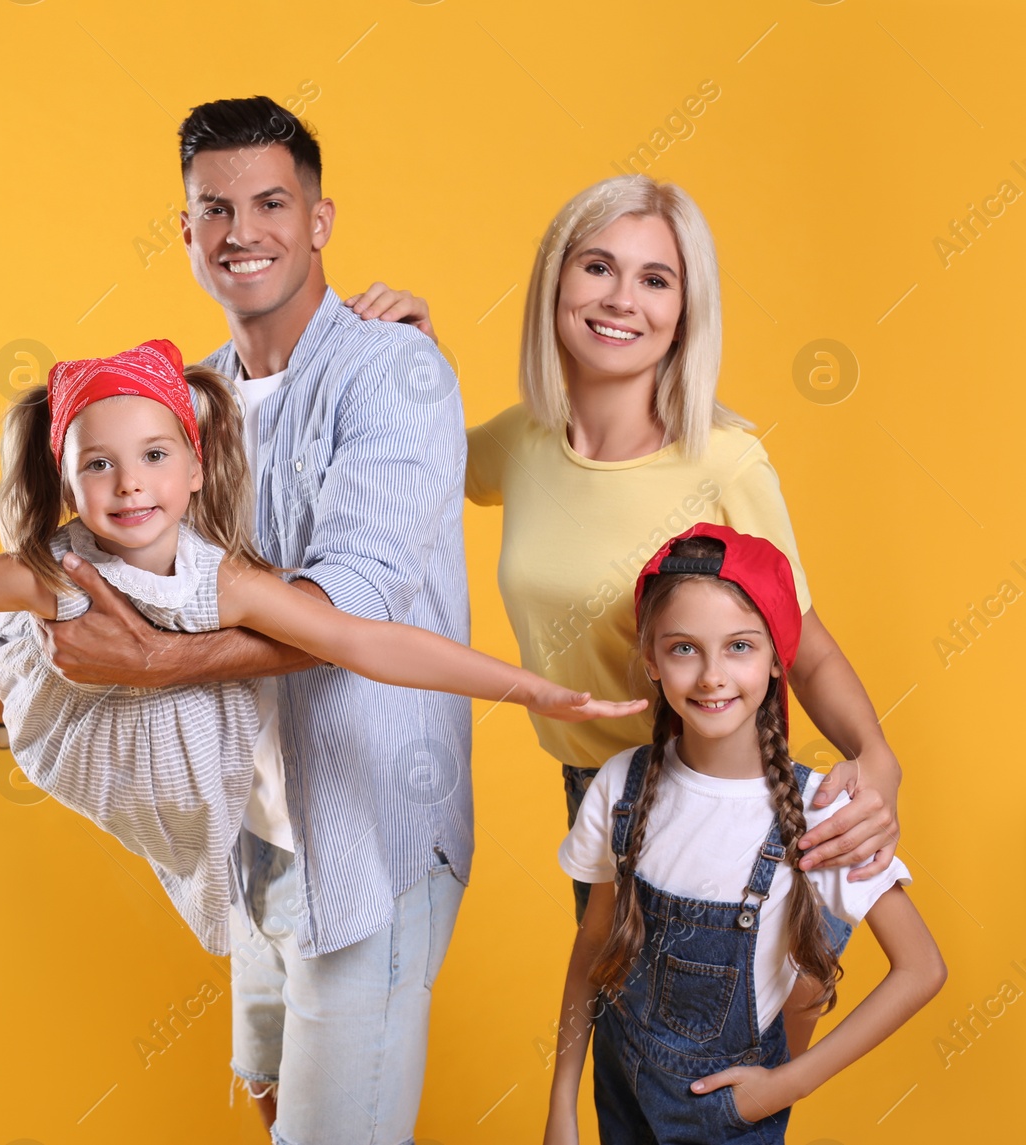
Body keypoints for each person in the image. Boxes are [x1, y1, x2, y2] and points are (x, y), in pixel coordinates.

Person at [0, 337, 642, 959]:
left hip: (174, 734)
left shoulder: (223, 579)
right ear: (69, 487)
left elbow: (367, 639)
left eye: (153, 455)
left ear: (194, 468)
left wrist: (530, 691)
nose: (128, 485)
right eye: (98, 465)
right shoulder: (52, 567)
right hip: (63, 709)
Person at [0, 97, 490, 1142]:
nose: (243, 232)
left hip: (368, 832)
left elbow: (349, 606)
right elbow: (122, 569)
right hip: (255, 843)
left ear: (320, 219)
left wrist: (149, 662)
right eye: (214, 209)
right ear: (186, 230)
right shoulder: (193, 407)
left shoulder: (394, 371)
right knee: (274, 1097)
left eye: (271, 203)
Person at [342, 176, 903, 934]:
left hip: (711, 795)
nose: (621, 298)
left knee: (737, 1044)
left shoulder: (723, 463)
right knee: (629, 1039)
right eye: (598, 266)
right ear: (557, 280)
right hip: (597, 792)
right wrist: (417, 357)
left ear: (684, 312)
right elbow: (424, 463)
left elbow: (805, 645)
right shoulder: (524, 442)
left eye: (655, 279)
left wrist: (877, 757)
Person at [542, 525, 943, 1144]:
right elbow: (593, 948)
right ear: (649, 657)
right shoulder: (620, 786)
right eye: (683, 649)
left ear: (779, 655)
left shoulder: (822, 811)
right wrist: (561, 1106)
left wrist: (787, 1085)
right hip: (619, 1095)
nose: (710, 676)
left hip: (728, 1119)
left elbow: (921, 969)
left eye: (738, 647)